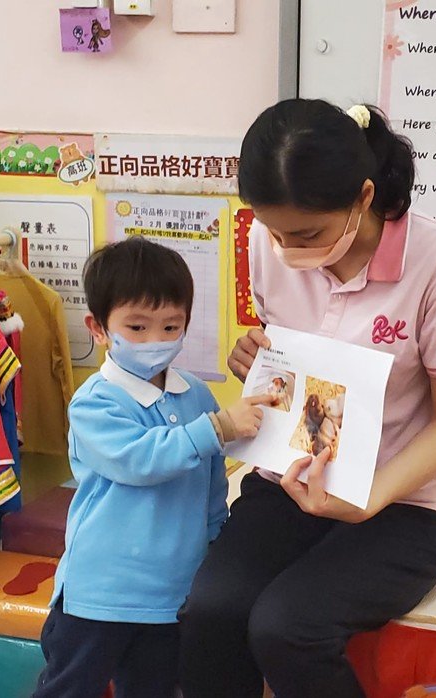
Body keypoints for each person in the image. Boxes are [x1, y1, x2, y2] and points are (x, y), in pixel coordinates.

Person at [179, 99, 436, 698]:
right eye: (274, 231)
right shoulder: (267, 244)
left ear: (364, 196)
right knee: (211, 612)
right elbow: (291, 365)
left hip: (403, 505)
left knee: (287, 628)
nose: (286, 247)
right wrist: (257, 363)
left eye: (307, 234)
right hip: (289, 481)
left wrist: (368, 499)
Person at [32, 238, 270, 698]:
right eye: (137, 327)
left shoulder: (195, 395)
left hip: (171, 597)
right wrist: (218, 427)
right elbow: (141, 459)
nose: (155, 340)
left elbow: (211, 484)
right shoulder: (93, 402)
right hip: (99, 595)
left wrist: (215, 542)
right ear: (98, 328)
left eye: (170, 326)